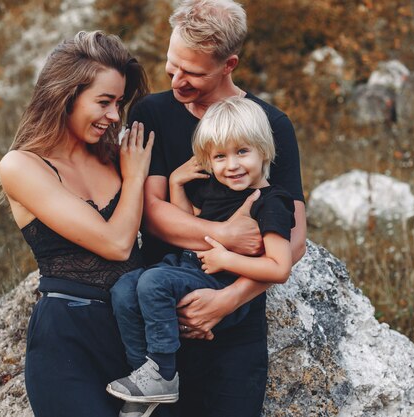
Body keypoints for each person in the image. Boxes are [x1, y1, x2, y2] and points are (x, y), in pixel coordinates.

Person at [128, 1, 307, 416]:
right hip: (164, 307)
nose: (177, 80)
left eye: (193, 72)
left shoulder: (267, 123)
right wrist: (225, 236)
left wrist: (228, 299)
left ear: (229, 64)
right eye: (172, 66)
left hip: (238, 321)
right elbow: (151, 213)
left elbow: (294, 238)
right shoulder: (150, 113)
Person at [0, 30, 153, 417]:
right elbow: (117, 243)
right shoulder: (21, 165)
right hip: (67, 344)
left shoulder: (117, 156)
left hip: (134, 334)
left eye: (118, 103)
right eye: (103, 102)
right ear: (66, 95)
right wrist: (134, 179)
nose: (115, 116)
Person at [105, 97, 295, 414]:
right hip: (189, 268)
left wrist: (226, 260)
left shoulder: (271, 201)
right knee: (123, 289)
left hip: (220, 284)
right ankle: (147, 379)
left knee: (153, 283)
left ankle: (163, 373)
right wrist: (177, 184)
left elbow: (279, 267)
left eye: (242, 152)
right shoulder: (218, 187)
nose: (231, 165)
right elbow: (191, 227)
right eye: (220, 157)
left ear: (263, 149)